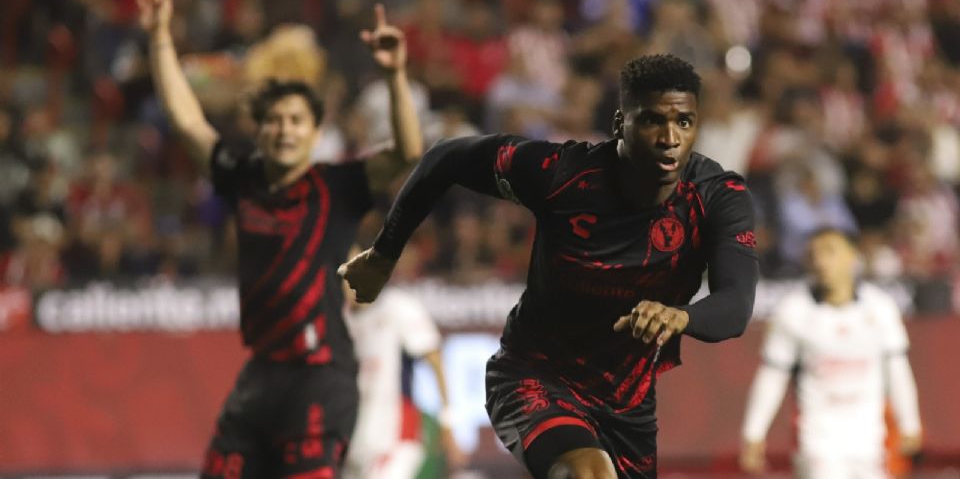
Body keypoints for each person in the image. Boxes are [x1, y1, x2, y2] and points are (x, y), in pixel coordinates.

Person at [340, 54, 759, 479]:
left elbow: (737, 304)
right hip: (532, 376)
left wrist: (681, 316)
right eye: (652, 120)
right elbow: (446, 158)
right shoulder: (562, 174)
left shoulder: (717, 196)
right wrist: (384, 254)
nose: (670, 137)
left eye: (684, 122)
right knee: (588, 474)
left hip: (627, 406)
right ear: (620, 124)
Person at [133, 0, 422, 477]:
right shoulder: (242, 179)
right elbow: (187, 121)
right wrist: (160, 36)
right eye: (274, 120)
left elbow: (407, 152)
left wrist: (396, 76)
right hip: (260, 374)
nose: (284, 129)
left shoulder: (337, 186)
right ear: (258, 129)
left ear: (314, 132)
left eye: (295, 120)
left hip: (320, 377)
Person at [739, 228, 922, 479]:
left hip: (871, 440)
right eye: (813, 254)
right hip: (817, 440)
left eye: (829, 251)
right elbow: (772, 376)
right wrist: (753, 434)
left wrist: (910, 423)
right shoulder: (793, 312)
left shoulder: (880, 308)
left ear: (851, 256)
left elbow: (898, 370)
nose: (821, 261)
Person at [343, 257, 465, 478]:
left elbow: (434, 358)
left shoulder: (397, 307)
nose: (345, 280)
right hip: (355, 439)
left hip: (395, 435)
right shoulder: (341, 319)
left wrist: (448, 421)